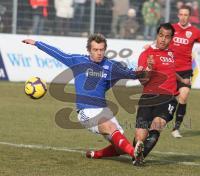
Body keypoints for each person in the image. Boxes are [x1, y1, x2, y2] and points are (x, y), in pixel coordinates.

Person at [22, 33, 148, 166]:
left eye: (101, 50)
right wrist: (37, 43)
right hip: (86, 111)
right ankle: (135, 154)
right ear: (89, 50)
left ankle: (95, 154)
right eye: (95, 50)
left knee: (119, 147)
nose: (99, 53)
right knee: (112, 129)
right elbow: (58, 53)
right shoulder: (78, 61)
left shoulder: (111, 66)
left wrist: (142, 71)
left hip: (104, 110)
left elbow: (132, 74)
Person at [133, 23, 190, 160]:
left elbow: (170, 70)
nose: (163, 39)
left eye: (167, 37)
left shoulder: (172, 53)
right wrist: (150, 68)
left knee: (156, 127)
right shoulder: (146, 54)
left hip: (168, 98)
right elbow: (142, 81)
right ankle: (137, 149)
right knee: (140, 136)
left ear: (171, 39)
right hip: (148, 96)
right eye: (161, 36)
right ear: (156, 36)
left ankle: (139, 158)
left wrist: (182, 79)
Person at [170, 5, 200, 138]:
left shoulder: (195, 32)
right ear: (178, 15)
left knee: (183, 96)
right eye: (181, 14)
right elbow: (161, 42)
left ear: (189, 16)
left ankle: (176, 128)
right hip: (170, 69)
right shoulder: (171, 28)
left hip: (185, 70)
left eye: (186, 15)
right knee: (168, 99)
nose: (183, 17)